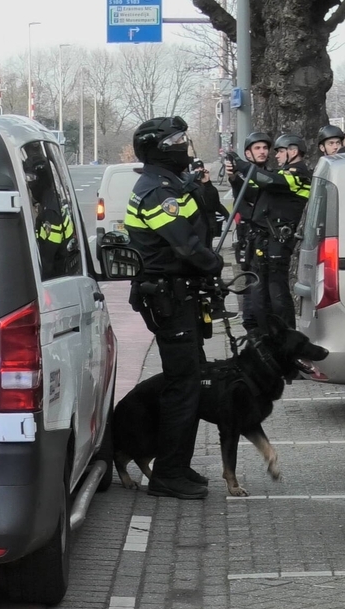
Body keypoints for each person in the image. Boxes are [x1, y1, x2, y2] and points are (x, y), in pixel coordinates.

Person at [125, 116, 224, 500]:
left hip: (179, 294)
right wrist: (214, 265)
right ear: (161, 147)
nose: (185, 145)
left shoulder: (170, 185)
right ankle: (167, 473)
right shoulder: (155, 191)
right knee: (183, 386)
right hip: (169, 296)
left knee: (191, 380)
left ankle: (177, 464)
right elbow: (186, 246)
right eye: (178, 140)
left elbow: (201, 222)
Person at [230, 132, 311, 331]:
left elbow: (268, 181)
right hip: (264, 242)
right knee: (261, 297)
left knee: (278, 296)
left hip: (278, 244)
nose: (275, 155)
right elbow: (253, 192)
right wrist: (234, 178)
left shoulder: (298, 175)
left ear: (293, 151)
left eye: (280, 151)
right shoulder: (283, 174)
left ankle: (287, 340)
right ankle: (266, 339)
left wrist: (241, 164)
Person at [24, 146, 78, 279]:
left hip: (55, 274)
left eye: (31, 180)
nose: (29, 185)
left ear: (40, 182)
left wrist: (41, 281)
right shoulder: (51, 200)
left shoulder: (50, 211)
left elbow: (48, 255)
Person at [224, 131, 271, 267]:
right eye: (257, 148)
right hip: (248, 234)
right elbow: (244, 189)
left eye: (265, 148)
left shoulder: (273, 175)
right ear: (248, 153)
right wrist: (232, 176)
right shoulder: (241, 176)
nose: (262, 152)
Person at [189, 158, 229, 247]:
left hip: (209, 224)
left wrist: (207, 183)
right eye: (197, 169)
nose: (199, 171)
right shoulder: (190, 186)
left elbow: (215, 204)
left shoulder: (208, 186)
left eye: (201, 168)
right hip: (196, 224)